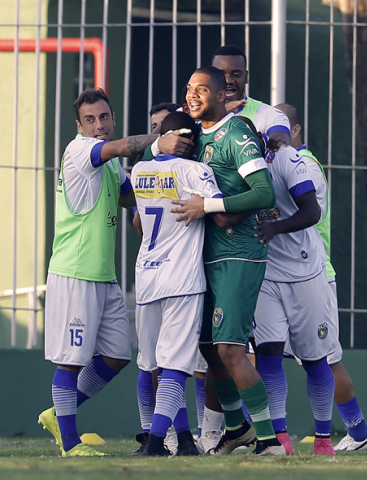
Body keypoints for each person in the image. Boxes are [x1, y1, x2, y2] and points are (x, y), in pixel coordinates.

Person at [36, 88, 193, 457]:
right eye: (90, 119)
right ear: (79, 125)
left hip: (104, 276)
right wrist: (159, 141)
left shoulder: (109, 165)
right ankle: (70, 443)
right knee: (70, 360)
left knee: (118, 355)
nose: (98, 125)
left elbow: (130, 197)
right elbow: (122, 147)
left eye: (104, 117)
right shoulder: (79, 150)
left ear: (113, 118)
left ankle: (59, 412)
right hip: (74, 272)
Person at [165, 66, 285, 456]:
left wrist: (209, 205)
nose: (192, 95)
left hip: (239, 254)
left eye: (201, 89)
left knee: (231, 350)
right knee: (208, 347)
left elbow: (264, 193)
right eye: (189, 88)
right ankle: (236, 429)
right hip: (202, 257)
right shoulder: (193, 136)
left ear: (221, 95)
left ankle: (269, 440)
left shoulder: (236, 133)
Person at [231, 116, 339, 456]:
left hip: (306, 271)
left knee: (314, 359)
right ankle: (280, 438)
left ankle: (323, 439)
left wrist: (276, 228)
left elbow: (312, 211)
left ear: (259, 139)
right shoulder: (231, 167)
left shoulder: (286, 159)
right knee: (268, 355)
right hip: (265, 273)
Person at [274, 103, 367, 451]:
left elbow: (306, 213)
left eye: (281, 127)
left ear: (296, 130)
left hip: (313, 276)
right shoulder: (275, 163)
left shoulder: (305, 165)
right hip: (279, 275)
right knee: (259, 355)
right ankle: (256, 433)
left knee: (325, 360)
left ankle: (359, 432)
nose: (273, 134)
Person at [131, 111, 233, 456]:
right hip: (182, 279)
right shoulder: (196, 171)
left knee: (153, 363)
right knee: (175, 366)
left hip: (147, 274)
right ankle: (156, 443)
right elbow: (220, 213)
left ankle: (184, 439)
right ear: (189, 140)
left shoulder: (140, 171)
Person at [211, 45, 292, 153]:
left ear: (246, 77)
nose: (228, 80)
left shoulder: (270, 114)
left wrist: (277, 140)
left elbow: (282, 139)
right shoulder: (195, 113)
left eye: (236, 75)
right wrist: (217, 113)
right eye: (221, 74)